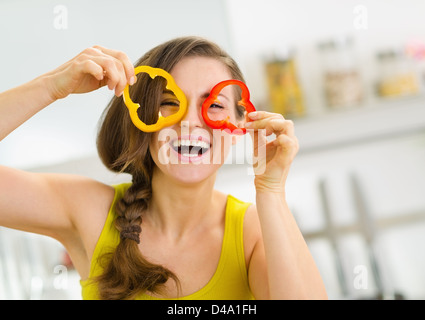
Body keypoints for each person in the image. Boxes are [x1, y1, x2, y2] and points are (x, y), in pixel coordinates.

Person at [0, 36, 327, 300]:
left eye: (213, 105)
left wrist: (270, 191)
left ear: (243, 124)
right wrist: (51, 87)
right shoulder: (88, 211)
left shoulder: (252, 232)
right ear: (142, 119)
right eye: (169, 102)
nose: (189, 122)